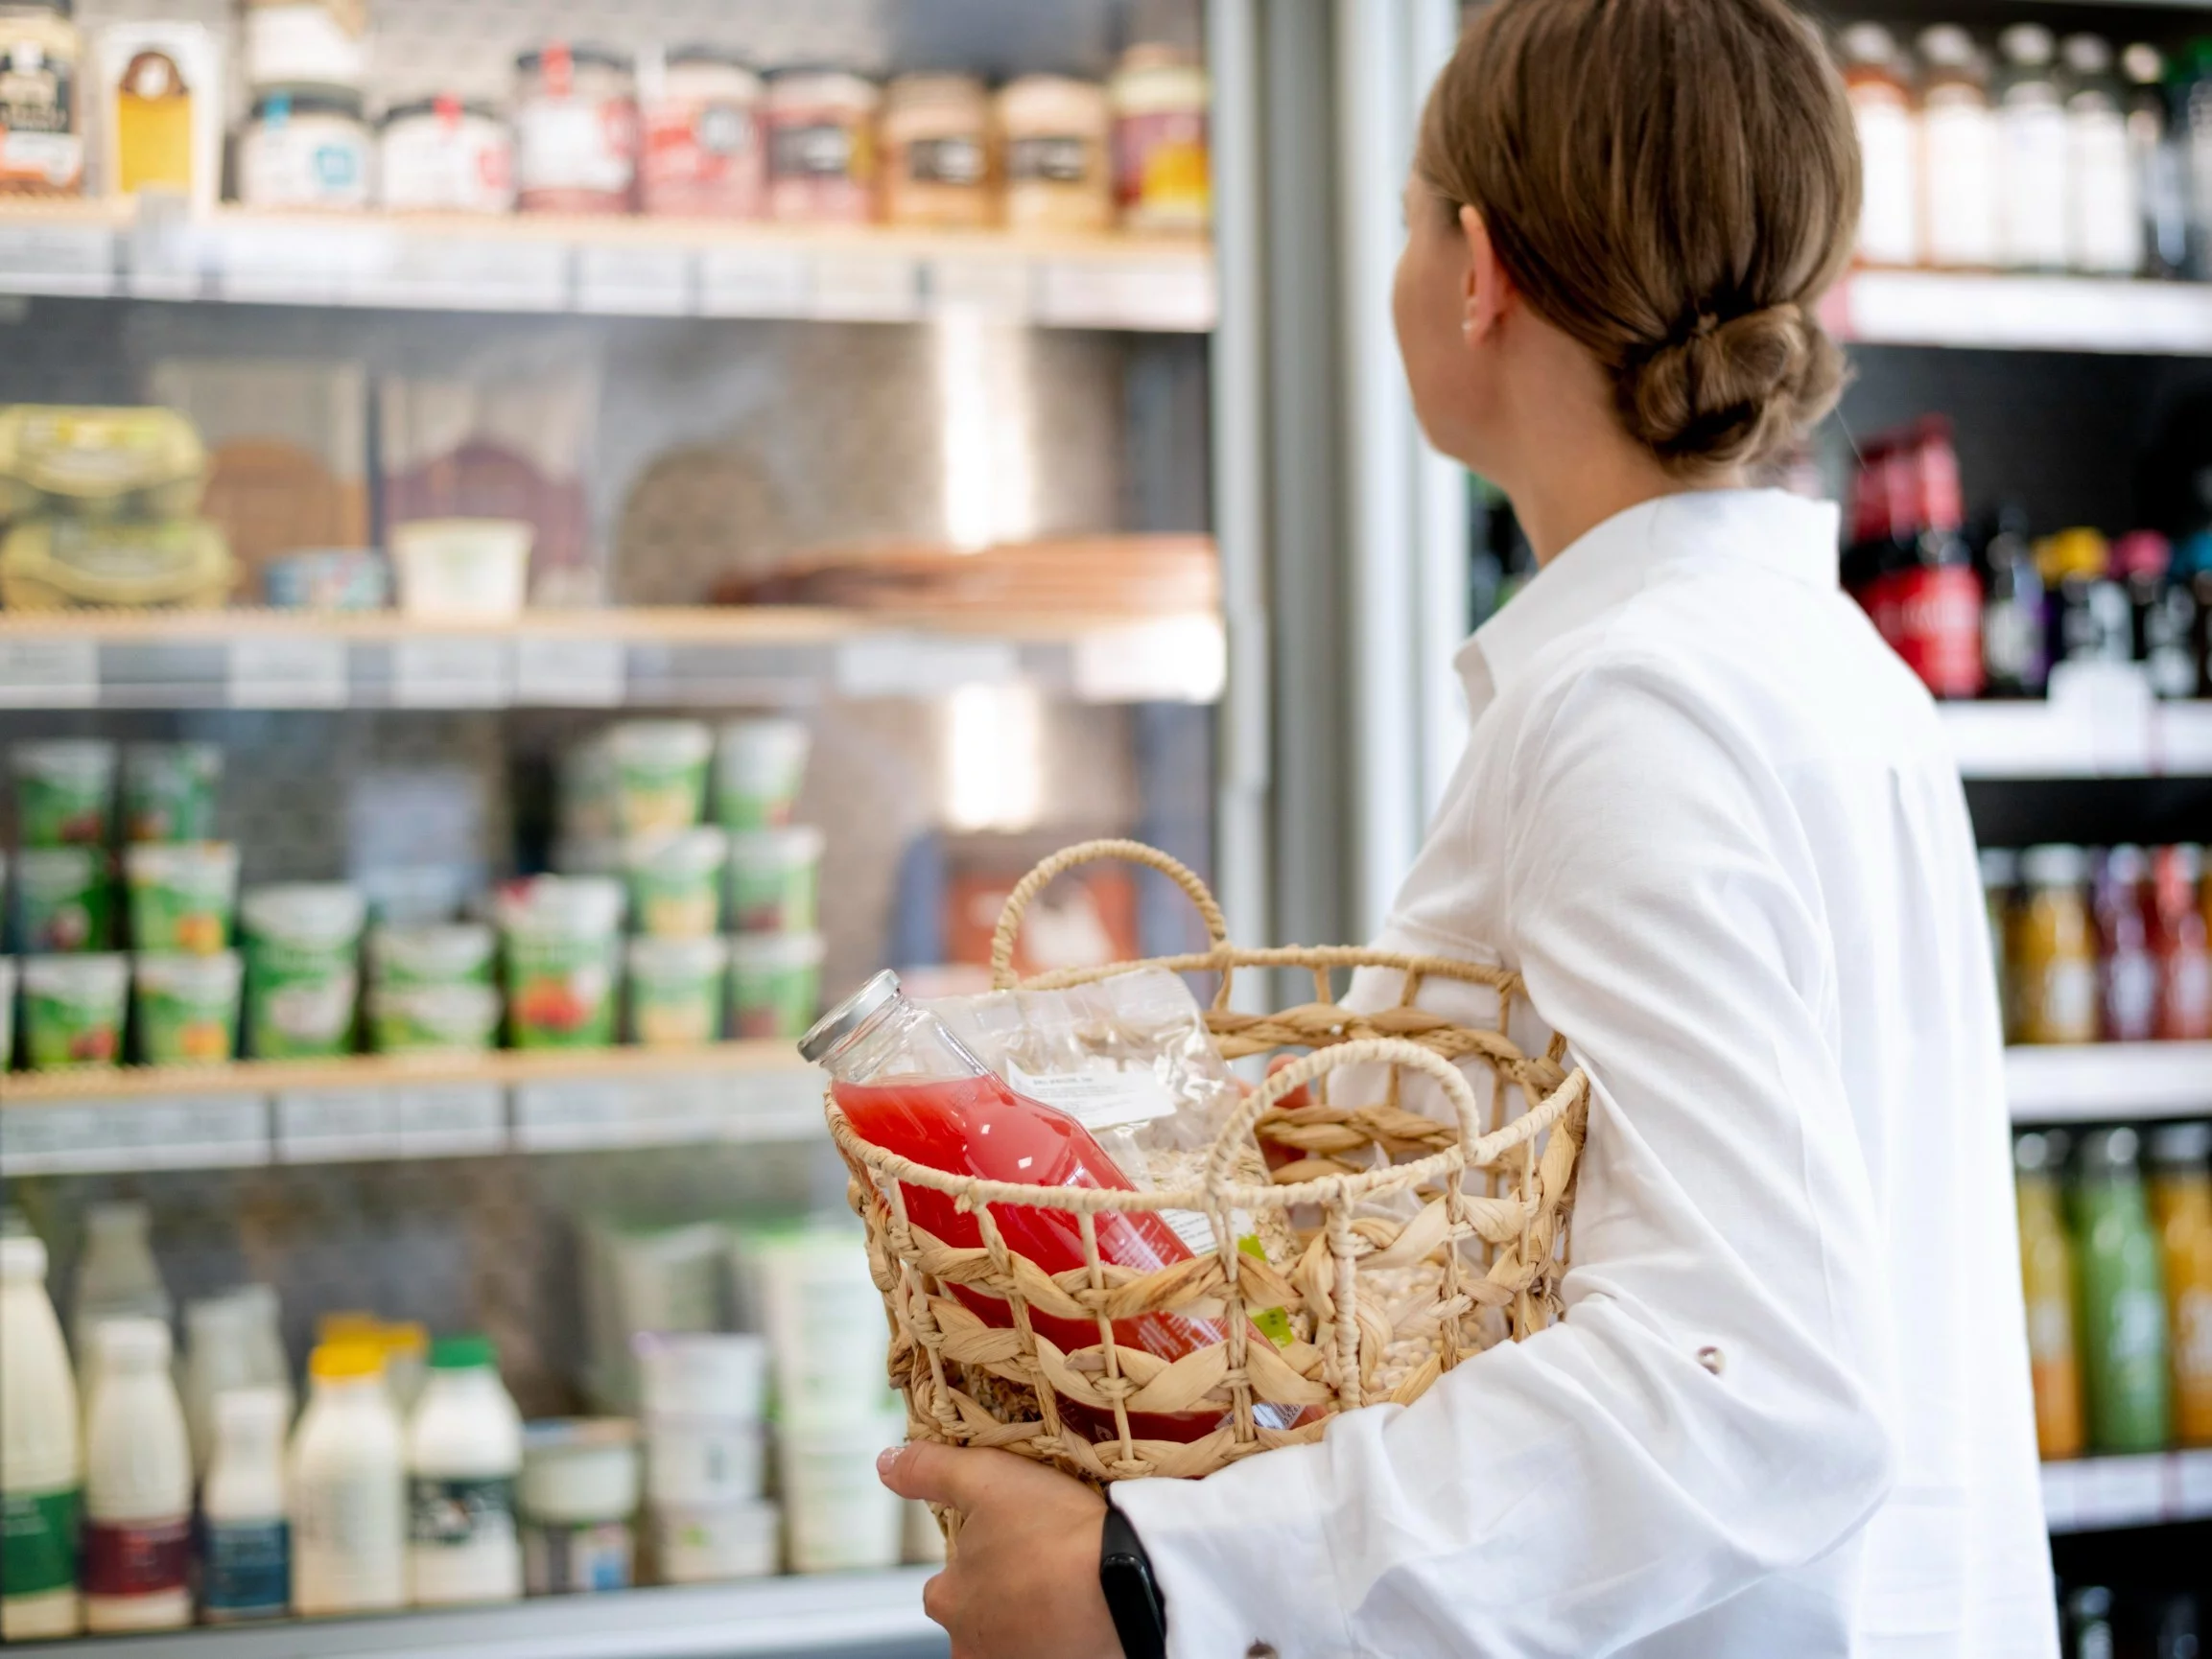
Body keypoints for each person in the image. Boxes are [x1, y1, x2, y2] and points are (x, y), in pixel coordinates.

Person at [876, 0, 2058, 1652]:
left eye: (1410, 220)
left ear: (1476, 268)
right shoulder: (1812, 665)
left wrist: (1161, 1577)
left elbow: (1751, 1386)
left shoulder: (1629, 712)